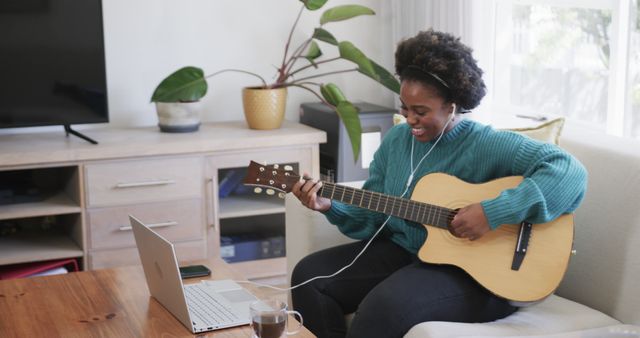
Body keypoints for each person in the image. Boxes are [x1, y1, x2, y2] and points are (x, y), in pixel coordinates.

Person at [290, 29, 588, 338]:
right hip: (410, 254)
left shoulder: (486, 144)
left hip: (481, 276)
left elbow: (570, 172)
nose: (409, 120)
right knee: (309, 277)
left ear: (453, 105)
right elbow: (374, 217)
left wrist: (493, 212)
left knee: (383, 307)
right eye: (405, 108)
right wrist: (330, 206)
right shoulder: (395, 142)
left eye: (421, 111)